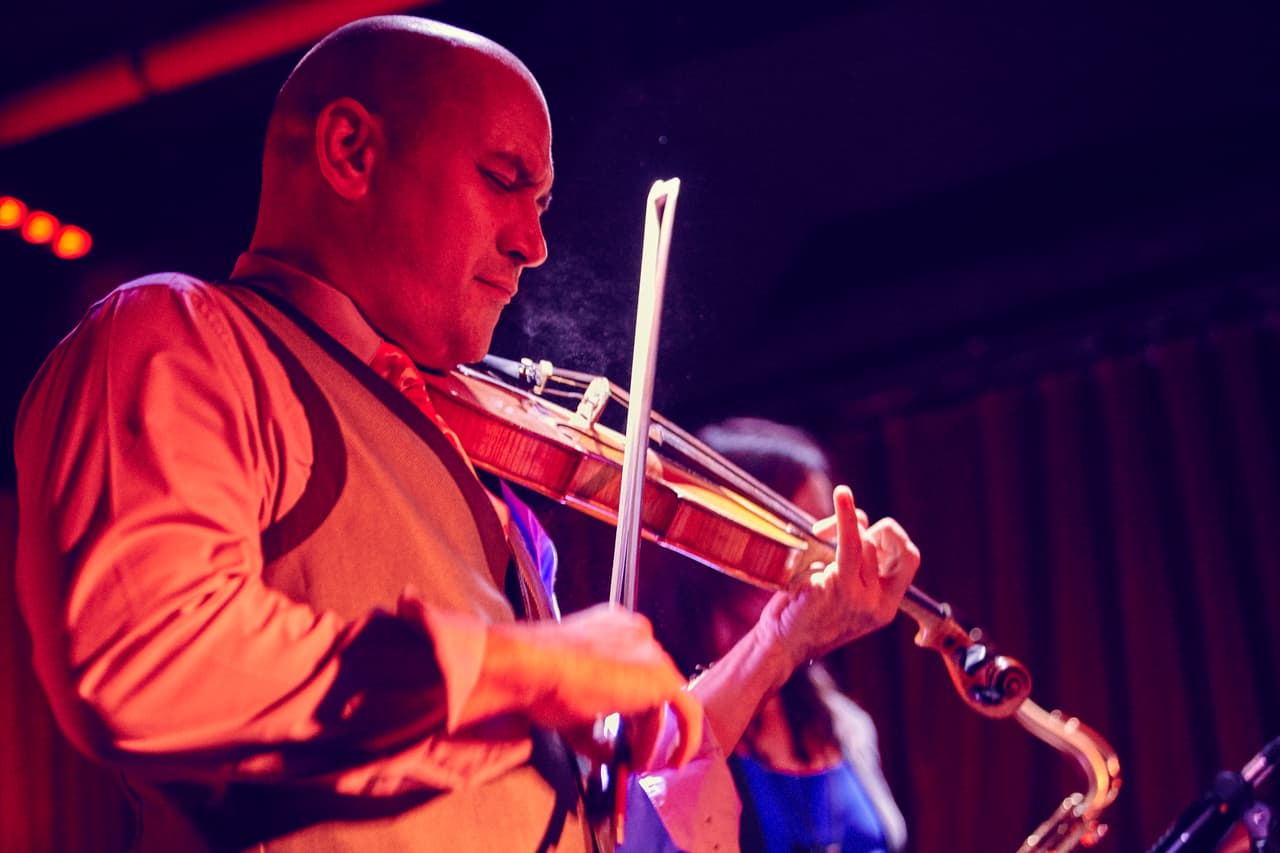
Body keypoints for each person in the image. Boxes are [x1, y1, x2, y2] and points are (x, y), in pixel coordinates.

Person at [12, 16, 920, 853]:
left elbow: (605, 811)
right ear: (352, 152)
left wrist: (781, 638)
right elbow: (147, 657)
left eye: (543, 203)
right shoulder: (187, 335)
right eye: (503, 179)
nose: (533, 242)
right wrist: (531, 665)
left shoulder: (466, 455)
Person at [649, 418, 907, 853]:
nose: (831, 564)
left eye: (830, 541)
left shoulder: (842, 722)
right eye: (801, 535)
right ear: (722, 537)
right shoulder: (658, 723)